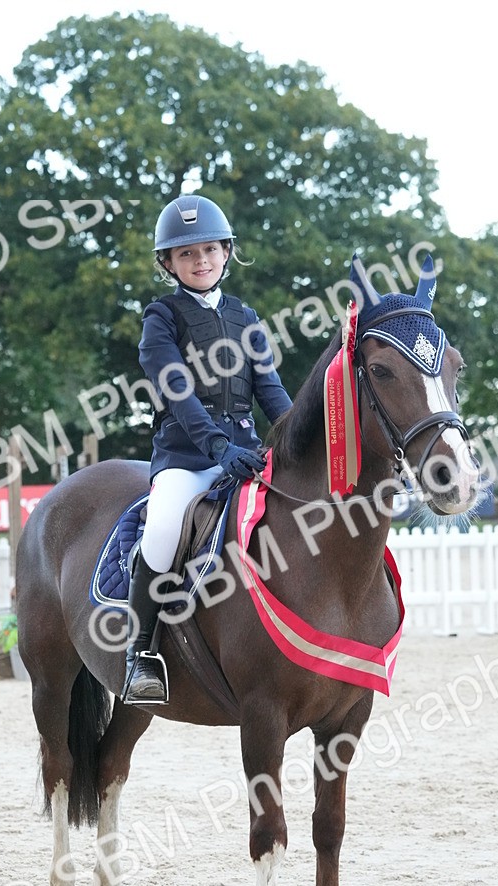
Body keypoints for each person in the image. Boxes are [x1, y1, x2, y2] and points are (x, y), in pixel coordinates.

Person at [123, 194, 293, 704]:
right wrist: (216, 445)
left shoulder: (246, 317)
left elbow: (271, 390)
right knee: (166, 522)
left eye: (210, 250)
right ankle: (140, 654)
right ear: (168, 264)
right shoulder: (162, 317)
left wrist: (299, 437)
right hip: (187, 457)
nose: (201, 261)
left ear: (226, 252)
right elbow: (176, 390)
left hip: (245, 453)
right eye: (187, 254)